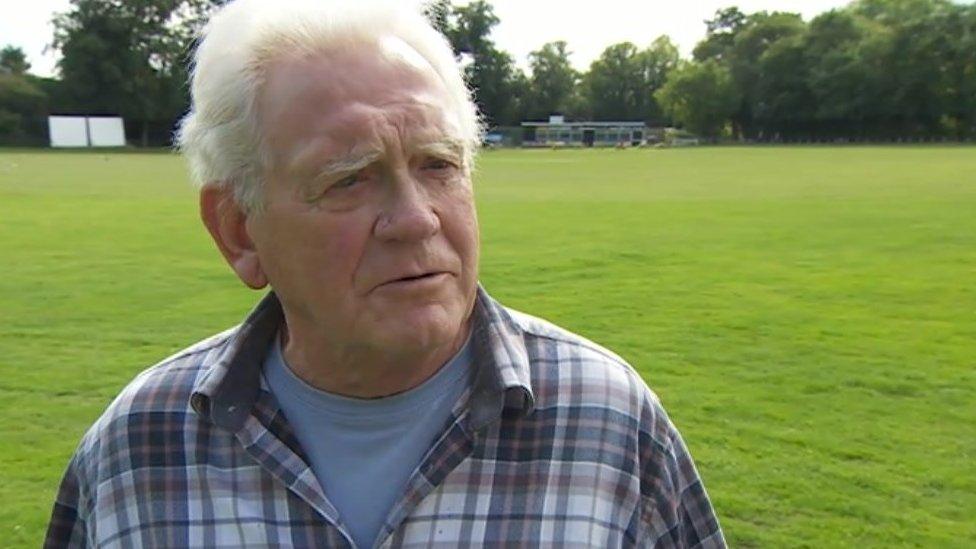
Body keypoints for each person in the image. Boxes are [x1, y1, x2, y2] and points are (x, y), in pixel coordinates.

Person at [44, 0, 725, 547]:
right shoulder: (139, 448)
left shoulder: (609, 422)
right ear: (239, 230)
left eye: (438, 164)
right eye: (349, 179)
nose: (416, 219)